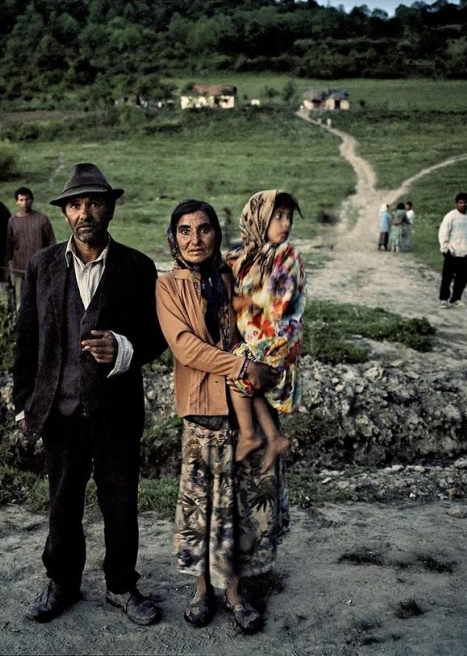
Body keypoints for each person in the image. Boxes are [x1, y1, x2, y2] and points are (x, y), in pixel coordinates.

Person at [12, 163, 167, 626]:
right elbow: (26, 340)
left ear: (110, 208)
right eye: (76, 204)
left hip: (116, 410)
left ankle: (121, 585)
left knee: (121, 500)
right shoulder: (41, 267)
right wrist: (24, 402)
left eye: (95, 202)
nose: (86, 213)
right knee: (62, 500)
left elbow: (157, 334)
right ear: (64, 213)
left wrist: (122, 347)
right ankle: (62, 581)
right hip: (60, 411)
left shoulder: (137, 267)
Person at [156, 199, 290, 635]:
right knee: (201, 504)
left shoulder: (228, 277)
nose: (195, 240)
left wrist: (266, 359)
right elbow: (184, 346)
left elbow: (254, 324)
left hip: (239, 405)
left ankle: (234, 592)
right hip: (201, 409)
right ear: (173, 237)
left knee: (235, 504)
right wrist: (241, 367)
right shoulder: (167, 287)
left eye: (204, 229)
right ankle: (201, 588)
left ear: (217, 233)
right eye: (184, 231)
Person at [227, 190, 307, 475]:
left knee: (237, 367)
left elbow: (279, 294)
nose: (285, 224)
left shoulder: (288, 255)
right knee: (250, 381)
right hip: (263, 337)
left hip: (277, 337)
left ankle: (249, 435)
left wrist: (246, 300)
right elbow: (241, 268)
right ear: (259, 219)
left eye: (288, 218)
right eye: (278, 216)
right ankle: (273, 437)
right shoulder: (257, 253)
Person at [5, 186, 56, 311]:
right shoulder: (12, 222)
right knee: (21, 305)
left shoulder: (42, 219)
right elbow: (9, 249)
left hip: (40, 270)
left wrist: (50, 267)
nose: (24, 203)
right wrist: (9, 272)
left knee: (41, 304)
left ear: (32, 200)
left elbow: (51, 245)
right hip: (19, 271)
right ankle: (20, 329)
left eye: (27, 199)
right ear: (17, 202)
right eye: (21, 200)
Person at [438, 192, 467, 309]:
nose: (463, 205)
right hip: (452, 251)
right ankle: (444, 299)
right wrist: (444, 248)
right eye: (460, 202)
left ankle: (456, 299)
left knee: (462, 278)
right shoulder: (451, 216)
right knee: (447, 277)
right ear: (456, 203)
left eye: (465, 203)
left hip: (465, 252)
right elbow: (443, 232)